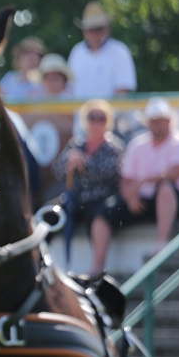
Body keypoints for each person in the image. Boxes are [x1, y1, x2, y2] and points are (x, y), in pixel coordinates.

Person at [89, 97, 179, 274]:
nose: (156, 125)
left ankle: (162, 241)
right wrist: (130, 198)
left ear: (168, 121)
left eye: (159, 120)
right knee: (102, 214)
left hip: (173, 200)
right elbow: (126, 180)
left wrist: (144, 180)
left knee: (165, 188)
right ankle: (97, 266)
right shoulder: (137, 145)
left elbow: (175, 172)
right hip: (141, 199)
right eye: (153, 121)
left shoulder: (178, 142)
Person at [51, 99, 124, 253]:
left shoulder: (114, 147)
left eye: (101, 118)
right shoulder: (76, 144)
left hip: (103, 200)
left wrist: (85, 163)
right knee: (48, 215)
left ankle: (96, 268)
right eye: (92, 117)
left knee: (98, 215)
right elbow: (57, 172)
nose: (96, 122)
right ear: (85, 121)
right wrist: (69, 165)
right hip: (75, 199)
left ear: (107, 122)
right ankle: (41, 262)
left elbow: (110, 175)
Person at [68, 1, 136, 98]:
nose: (95, 32)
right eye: (91, 28)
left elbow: (122, 90)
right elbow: (70, 89)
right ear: (84, 30)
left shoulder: (120, 52)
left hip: (111, 113)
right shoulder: (77, 52)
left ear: (106, 28)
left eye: (98, 28)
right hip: (80, 112)